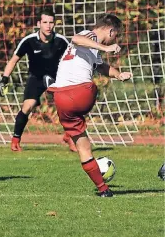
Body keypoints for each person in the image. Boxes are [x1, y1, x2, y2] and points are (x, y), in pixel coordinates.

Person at [48, 13, 132, 197]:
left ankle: (103, 190)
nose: (115, 39)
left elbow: (101, 67)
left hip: (61, 98)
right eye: (115, 35)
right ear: (110, 31)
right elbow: (76, 39)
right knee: (92, 88)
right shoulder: (90, 35)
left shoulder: (91, 49)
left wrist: (118, 75)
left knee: (83, 147)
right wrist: (106, 47)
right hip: (80, 93)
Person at [0, 9, 75, 152]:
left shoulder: (61, 41)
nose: (48, 26)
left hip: (57, 78)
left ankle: (69, 136)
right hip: (36, 78)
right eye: (45, 22)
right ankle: (15, 140)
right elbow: (13, 60)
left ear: (54, 24)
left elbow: (71, 61)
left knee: (69, 107)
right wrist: (4, 80)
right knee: (27, 107)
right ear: (39, 24)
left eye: (51, 22)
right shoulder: (29, 40)